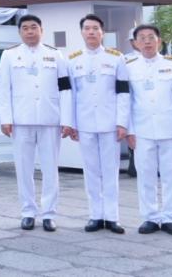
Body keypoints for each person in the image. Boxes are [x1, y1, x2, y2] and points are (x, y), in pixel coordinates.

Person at [0, 14, 74, 231]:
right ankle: (28, 212)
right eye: (25, 28)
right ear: (20, 32)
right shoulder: (9, 55)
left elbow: (65, 89)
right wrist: (6, 119)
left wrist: (66, 120)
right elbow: (3, 89)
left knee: (50, 169)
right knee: (24, 169)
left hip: (50, 119)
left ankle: (49, 213)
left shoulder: (55, 55)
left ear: (42, 30)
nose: (30, 31)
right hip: (21, 120)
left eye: (34, 27)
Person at [125, 24, 172, 236]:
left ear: (159, 41)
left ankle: (170, 218)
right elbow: (127, 101)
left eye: (151, 37)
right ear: (135, 43)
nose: (147, 41)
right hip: (142, 130)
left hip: (170, 130)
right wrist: (130, 131)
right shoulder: (129, 66)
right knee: (145, 176)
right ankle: (150, 217)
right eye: (142, 38)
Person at [67, 14, 129, 234]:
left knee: (110, 170)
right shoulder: (73, 60)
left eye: (95, 28)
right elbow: (70, 95)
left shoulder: (116, 58)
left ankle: (112, 217)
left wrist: (122, 123)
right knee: (91, 171)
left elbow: (123, 93)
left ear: (102, 32)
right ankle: (95, 215)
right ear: (82, 32)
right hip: (84, 123)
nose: (91, 32)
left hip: (109, 122)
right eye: (87, 28)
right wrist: (71, 123)